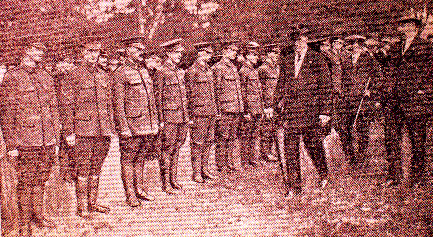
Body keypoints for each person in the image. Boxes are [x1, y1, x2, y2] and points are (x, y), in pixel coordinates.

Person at [0, 41, 59, 235]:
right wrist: (11, 144)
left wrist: (55, 139)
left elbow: (54, 109)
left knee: (41, 179)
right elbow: (7, 113)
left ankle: (38, 216)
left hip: (47, 139)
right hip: (25, 140)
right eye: (36, 49)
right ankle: (24, 224)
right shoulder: (12, 77)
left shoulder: (45, 76)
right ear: (26, 51)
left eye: (42, 49)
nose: (41, 52)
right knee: (25, 182)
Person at [275, 26, 333, 197]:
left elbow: (326, 86)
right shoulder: (286, 60)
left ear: (306, 40)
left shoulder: (317, 58)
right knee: (290, 149)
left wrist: (325, 112)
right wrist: (274, 104)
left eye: (301, 40)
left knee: (313, 146)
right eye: (295, 40)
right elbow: (281, 84)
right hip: (292, 113)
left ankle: (323, 173)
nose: (298, 44)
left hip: (311, 111)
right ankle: (294, 187)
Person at [59, 38, 114, 218]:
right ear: (82, 53)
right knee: (83, 168)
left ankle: (93, 203)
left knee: (97, 167)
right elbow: (66, 107)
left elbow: (109, 104)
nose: (93, 55)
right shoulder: (73, 75)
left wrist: (111, 127)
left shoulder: (104, 74)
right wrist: (69, 132)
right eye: (89, 51)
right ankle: (82, 207)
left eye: (96, 52)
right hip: (83, 130)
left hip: (102, 130)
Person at [378, 15, 433, 187]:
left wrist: (424, 91)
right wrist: (384, 90)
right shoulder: (395, 48)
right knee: (391, 139)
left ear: (415, 28)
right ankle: (394, 176)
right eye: (402, 24)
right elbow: (387, 71)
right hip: (393, 100)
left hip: (415, 101)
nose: (403, 27)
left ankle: (417, 177)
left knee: (417, 140)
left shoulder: (426, 47)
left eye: (407, 25)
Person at [112, 36, 159, 206]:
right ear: (127, 51)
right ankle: (130, 194)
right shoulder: (120, 73)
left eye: (142, 49)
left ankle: (139, 189)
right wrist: (123, 127)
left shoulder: (144, 70)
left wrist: (154, 123)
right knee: (128, 159)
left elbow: (151, 99)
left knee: (141, 158)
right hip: (131, 126)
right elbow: (118, 103)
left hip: (147, 124)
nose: (141, 52)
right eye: (137, 49)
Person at [338, 35, 384, 171]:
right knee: (344, 128)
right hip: (347, 99)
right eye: (352, 44)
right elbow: (343, 80)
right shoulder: (346, 61)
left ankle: (362, 157)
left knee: (361, 129)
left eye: (357, 44)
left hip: (363, 101)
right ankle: (351, 156)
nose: (355, 47)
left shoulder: (369, 60)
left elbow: (379, 78)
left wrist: (371, 91)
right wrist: (343, 92)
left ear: (362, 45)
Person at [154, 38, 188, 194]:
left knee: (177, 148)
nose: (179, 55)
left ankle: (173, 180)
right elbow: (158, 97)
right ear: (168, 53)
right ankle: (166, 183)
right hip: (169, 117)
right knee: (167, 150)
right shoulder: (161, 71)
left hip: (181, 116)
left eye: (180, 52)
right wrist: (160, 120)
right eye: (176, 52)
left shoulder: (179, 71)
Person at [185, 41, 218, 183]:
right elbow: (189, 94)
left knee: (209, 141)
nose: (211, 56)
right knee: (197, 143)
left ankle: (205, 169)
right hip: (199, 113)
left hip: (210, 111)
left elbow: (213, 92)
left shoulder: (209, 70)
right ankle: (197, 172)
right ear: (201, 54)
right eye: (208, 53)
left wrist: (215, 110)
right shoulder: (192, 71)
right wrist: (191, 115)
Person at [212, 40, 244, 172]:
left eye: (235, 51)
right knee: (223, 137)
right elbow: (216, 90)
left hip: (235, 108)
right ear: (224, 51)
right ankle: (221, 164)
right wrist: (218, 110)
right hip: (225, 109)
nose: (234, 53)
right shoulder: (218, 68)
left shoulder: (233, 67)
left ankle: (230, 162)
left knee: (232, 137)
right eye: (232, 51)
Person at [239, 41, 264, 166]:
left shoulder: (253, 69)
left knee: (255, 134)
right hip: (250, 108)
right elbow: (243, 92)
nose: (256, 58)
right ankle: (245, 160)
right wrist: (246, 111)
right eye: (253, 55)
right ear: (247, 56)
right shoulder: (244, 70)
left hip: (257, 107)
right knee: (246, 134)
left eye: (256, 55)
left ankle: (254, 159)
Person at [259, 43, 283, 162]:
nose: (276, 55)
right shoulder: (263, 68)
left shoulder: (278, 67)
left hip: (277, 102)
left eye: (277, 52)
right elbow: (261, 88)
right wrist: (265, 104)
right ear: (268, 54)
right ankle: (265, 153)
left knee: (276, 127)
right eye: (274, 52)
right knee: (267, 129)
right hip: (268, 103)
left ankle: (274, 151)